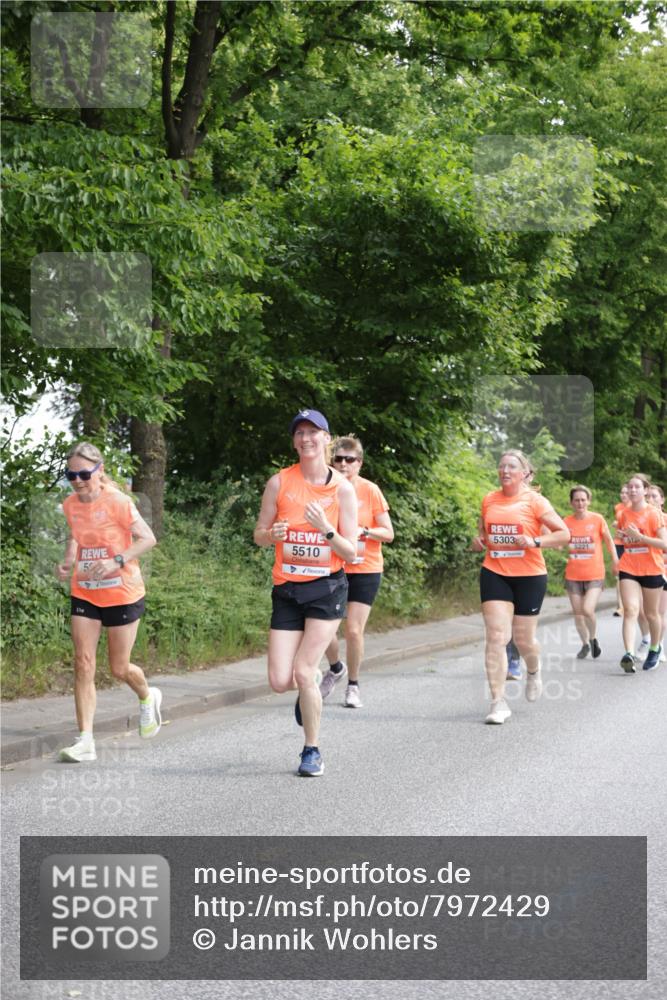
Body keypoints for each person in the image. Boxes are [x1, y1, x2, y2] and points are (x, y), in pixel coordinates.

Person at [254, 410, 357, 776]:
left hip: (326, 589)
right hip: (286, 588)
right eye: (299, 433)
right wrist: (272, 536)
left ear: (327, 438)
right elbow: (259, 534)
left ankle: (311, 751)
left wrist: (327, 529)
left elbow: (352, 552)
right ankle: (309, 685)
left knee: (302, 668)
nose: (305, 439)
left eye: (313, 432)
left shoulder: (343, 489)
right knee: (280, 681)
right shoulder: (279, 483)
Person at [56, 443, 160, 762]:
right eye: (71, 474)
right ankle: (85, 740)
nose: (77, 480)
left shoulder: (118, 502)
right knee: (83, 661)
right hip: (86, 589)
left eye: (84, 473)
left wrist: (117, 560)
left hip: (122, 591)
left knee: (118, 668)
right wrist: (68, 560)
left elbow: (148, 538)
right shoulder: (71, 504)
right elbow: (77, 533)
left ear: (99, 471)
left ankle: (147, 696)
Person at [474, 450, 570, 725]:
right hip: (495, 571)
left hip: (529, 575)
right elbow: (484, 534)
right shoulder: (489, 499)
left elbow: (564, 534)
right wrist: (479, 542)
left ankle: (533, 669)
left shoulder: (535, 501)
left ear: (525, 473)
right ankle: (497, 702)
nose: (505, 470)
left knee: (524, 639)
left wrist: (535, 542)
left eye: (511, 466)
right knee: (496, 636)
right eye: (501, 465)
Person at [319, 435, 394, 708]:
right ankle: (336, 667)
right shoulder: (324, 489)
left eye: (349, 460)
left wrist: (364, 531)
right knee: (324, 629)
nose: (342, 464)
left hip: (365, 567)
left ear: (359, 463)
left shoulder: (370, 490)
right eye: (337, 459)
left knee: (352, 630)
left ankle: (353, 686)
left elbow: (389, 533)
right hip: (332, 565)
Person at [617, 474, 667, 672]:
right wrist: (624, 537)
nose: (632, 490)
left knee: (651, 614)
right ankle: (628, 654)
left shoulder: (654, 514)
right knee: (630, 610)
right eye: (630, 487)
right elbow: (625, 540)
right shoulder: (624, 514)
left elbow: (664, 544)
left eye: (637, 487)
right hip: (629, 566)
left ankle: (655, 648)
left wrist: (640, 537)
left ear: (645, 490)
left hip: (652, 568)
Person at [563, 486, 619, 659]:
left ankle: (593, 639)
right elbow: (558, 544)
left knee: (587, 610)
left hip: (594, 573)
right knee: (578, 613)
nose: (580, 503)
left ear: (588, 501)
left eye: (583, 499)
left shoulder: (597, 519)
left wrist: (616, 560)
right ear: (571, 502)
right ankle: (585, 644)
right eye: (577, 500)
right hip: (573, 574)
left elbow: (609, 540)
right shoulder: (566, 522)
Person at [647, 484, 667, 662]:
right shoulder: (642, 520)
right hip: (645, 570)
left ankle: (657, 647)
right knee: (646, 613)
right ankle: (652, 642)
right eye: (648, 497)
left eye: (654, 496)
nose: (650, 500)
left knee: (659, 612)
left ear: (662, 500)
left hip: (663, 570)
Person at [612, 484, 629, 617]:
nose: (623, 495)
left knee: (629, 576)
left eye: (626, 492)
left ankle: (630, 603)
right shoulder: (618, 507)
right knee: (619, 576)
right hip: (618, 543)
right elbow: (618, 523)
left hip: (630, 545)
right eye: (621, 492)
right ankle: (620, 607)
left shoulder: (634, 508)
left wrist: (617, 525)